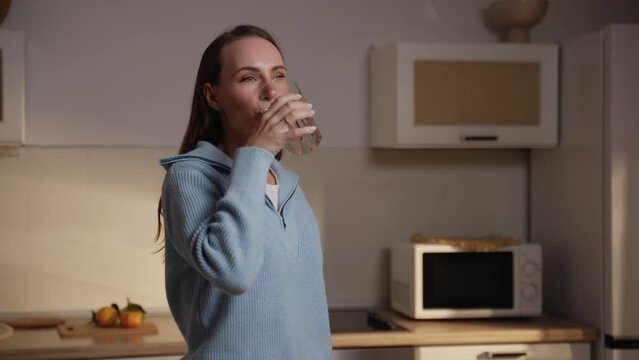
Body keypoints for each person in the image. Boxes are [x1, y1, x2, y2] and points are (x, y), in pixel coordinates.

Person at [155, 25, 332, 359]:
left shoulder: (289, 187)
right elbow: (232, 273)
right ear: (213, 97)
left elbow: (306, 312)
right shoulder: (188, 177)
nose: (271, 91)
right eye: (249, 78)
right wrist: (257, 153)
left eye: (278, 75)